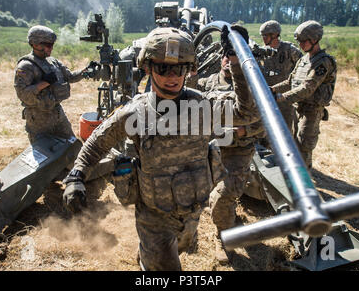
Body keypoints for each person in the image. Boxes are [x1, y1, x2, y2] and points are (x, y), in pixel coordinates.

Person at [61, 26, 259, 271]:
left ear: (188, 70)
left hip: (191, 213)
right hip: (153, 218)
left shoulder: (202, 106)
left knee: (178, 248)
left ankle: (147, 257)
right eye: (163, 68)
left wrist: (237, 60)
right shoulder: (135, 112)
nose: (171, 76)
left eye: (179, 68)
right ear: (148, 68)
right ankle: (151, 257)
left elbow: (247, 113)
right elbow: (97, 142)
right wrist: (76, 175)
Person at [196, 54, 265, 263]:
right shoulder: (206, 83)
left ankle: (223, 237)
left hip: (238, 151)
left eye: (233, 58)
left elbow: (265, 121)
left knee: (222, 196)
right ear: (220, 59)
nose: (228, 61)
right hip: (209, 148)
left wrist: (243, 131)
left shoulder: (252, 87)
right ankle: (227, 214)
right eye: (226, 57)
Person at [271, 20, 337, 169]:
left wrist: (282, 98)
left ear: (314, 40)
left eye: (303, 41)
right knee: (294, 144)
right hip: (297, 108)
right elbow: (290, 82)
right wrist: (272, 89)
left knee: (303, 147)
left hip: (311, 111)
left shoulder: (322, 62)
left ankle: (304, 182)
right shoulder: (303, 60)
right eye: (299, 41)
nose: (300, 45)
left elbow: (307, 88)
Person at [14, 25, 89, 144]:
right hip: (38, 120)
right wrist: (44, 83)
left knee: (73, 147)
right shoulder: (26, 66)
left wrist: (86, 72)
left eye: (52, 45)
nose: (51, 48)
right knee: (46, 157)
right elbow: (23, 94)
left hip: (58, 115)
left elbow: (70, 77)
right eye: (48, 45)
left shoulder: (53, 62)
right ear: (35, 44)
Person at [258, 20, 302, 133]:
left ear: (275, 35)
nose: (263, 38)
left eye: (266, 36)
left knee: (285, 130)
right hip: (267, 96)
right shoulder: (261, 52)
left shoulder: (290, 50)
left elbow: (303, 68)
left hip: (284, 98)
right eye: (262, 36)